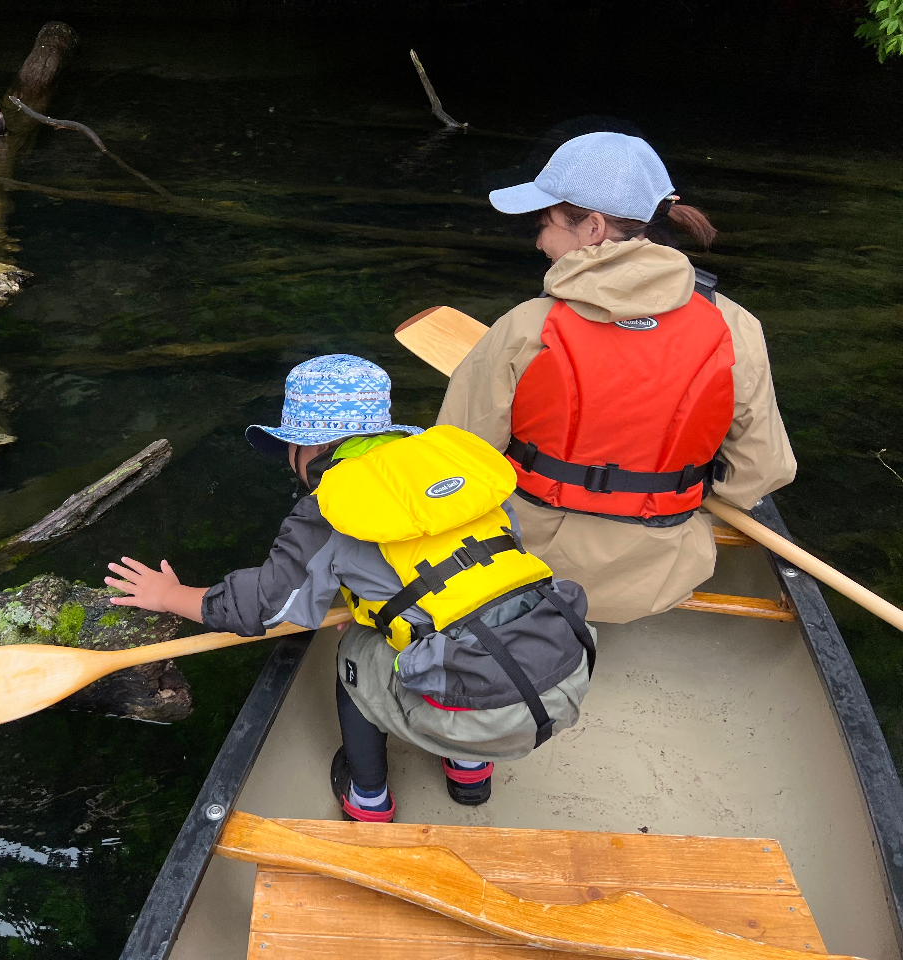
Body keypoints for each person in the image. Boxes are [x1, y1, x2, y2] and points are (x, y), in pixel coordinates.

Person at [105, 354, 595, 823]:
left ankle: (368, 798)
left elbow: (262, 608)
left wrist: (168, 595)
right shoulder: (455, 466)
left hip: (484, 718)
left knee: (353, 652)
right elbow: (482, 564)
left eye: (289, 448)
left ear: (310, 448)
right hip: (561, 675)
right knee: (466, 621)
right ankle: (470, 775)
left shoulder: (329, 507)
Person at [437, 131, 797, 624]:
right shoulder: (735, 326)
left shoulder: (527, 326)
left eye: (544, 223)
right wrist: (677, 491)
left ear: (593, 227)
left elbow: (458, 463)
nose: (539, 240)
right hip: (664, 574)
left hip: (532, 569)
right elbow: (764, 470)